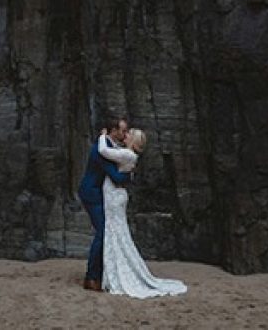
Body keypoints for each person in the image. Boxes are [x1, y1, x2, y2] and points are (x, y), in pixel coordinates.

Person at [97, 127, 187, 298]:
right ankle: (112, 273)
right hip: (115, 196)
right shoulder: (127, 154)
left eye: (129, 134)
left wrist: (103, 136)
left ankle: (117, 274)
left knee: (116, 233)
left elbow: (103, 151)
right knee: (117, 233)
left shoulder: (128, 155)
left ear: (134, 141)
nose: (126, 135)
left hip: (114, 197)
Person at [77, 116, 131, 291]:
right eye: (122, 131)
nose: (125, 134)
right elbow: (115, 176)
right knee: (102, 232)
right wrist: (129, 174)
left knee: (104, 232)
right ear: (113, 131)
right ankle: (91, 277)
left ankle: (98, 274)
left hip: (97, 194)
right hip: (92, 194)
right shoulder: (102, 150)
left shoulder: (109, 147)